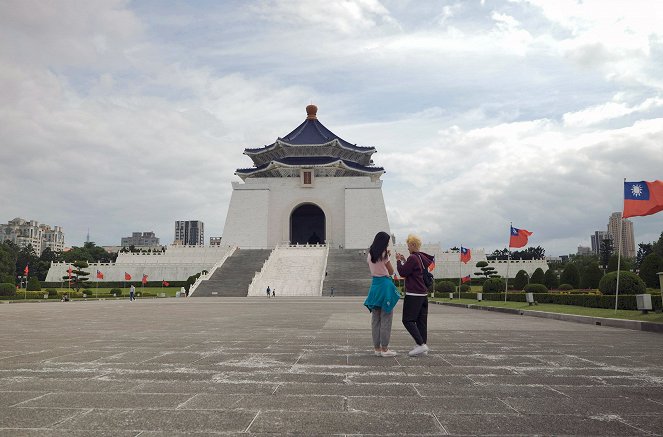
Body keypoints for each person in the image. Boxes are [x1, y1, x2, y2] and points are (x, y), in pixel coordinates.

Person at [363, 231, 400, 357]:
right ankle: (385, 349)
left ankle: (377, 348)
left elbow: (375, 266)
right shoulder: (385, 255)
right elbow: (390, 271)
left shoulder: (370, 255)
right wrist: (388, 257)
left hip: (375, 287)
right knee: (386, 318)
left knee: (375, 320)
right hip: (384, 286)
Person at [396, 234, 434, 357]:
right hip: (423, 294)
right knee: (421, 321)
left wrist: (398, 261)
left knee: (407, 320)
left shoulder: (413, 258)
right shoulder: (421, 257)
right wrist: (404, 261)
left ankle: (421, 344)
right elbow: (413, 270)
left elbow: (403, 272)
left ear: (412, 245)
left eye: (408, 246)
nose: (407, 248)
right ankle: (422, 345)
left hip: (413, 294)